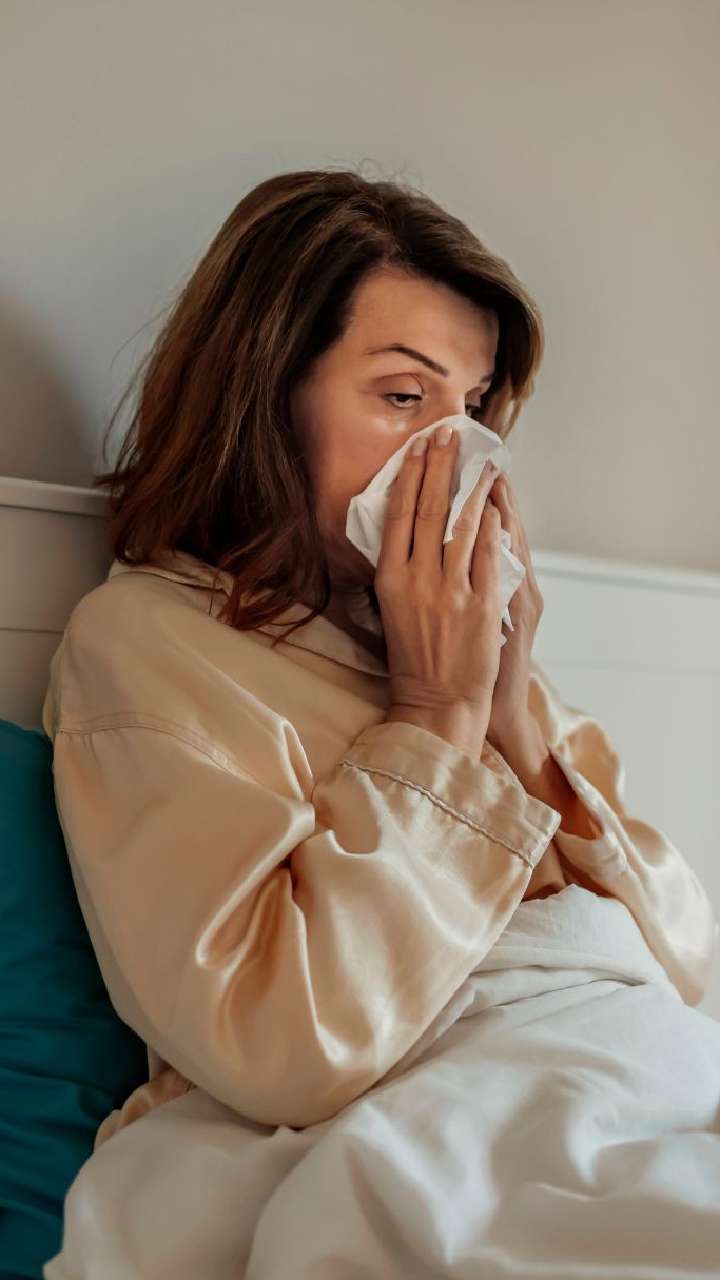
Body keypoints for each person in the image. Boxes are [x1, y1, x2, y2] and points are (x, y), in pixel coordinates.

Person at [42, 168, 718, 1157]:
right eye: (404, 395)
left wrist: (511, 720)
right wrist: (436, 711)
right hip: (433, 1135)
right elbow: (280, 1045)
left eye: (473, 404)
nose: (455, 450)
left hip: (633, 1085)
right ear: (266, 401)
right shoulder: (148, 643)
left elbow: (684, 965)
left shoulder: (456, 637)